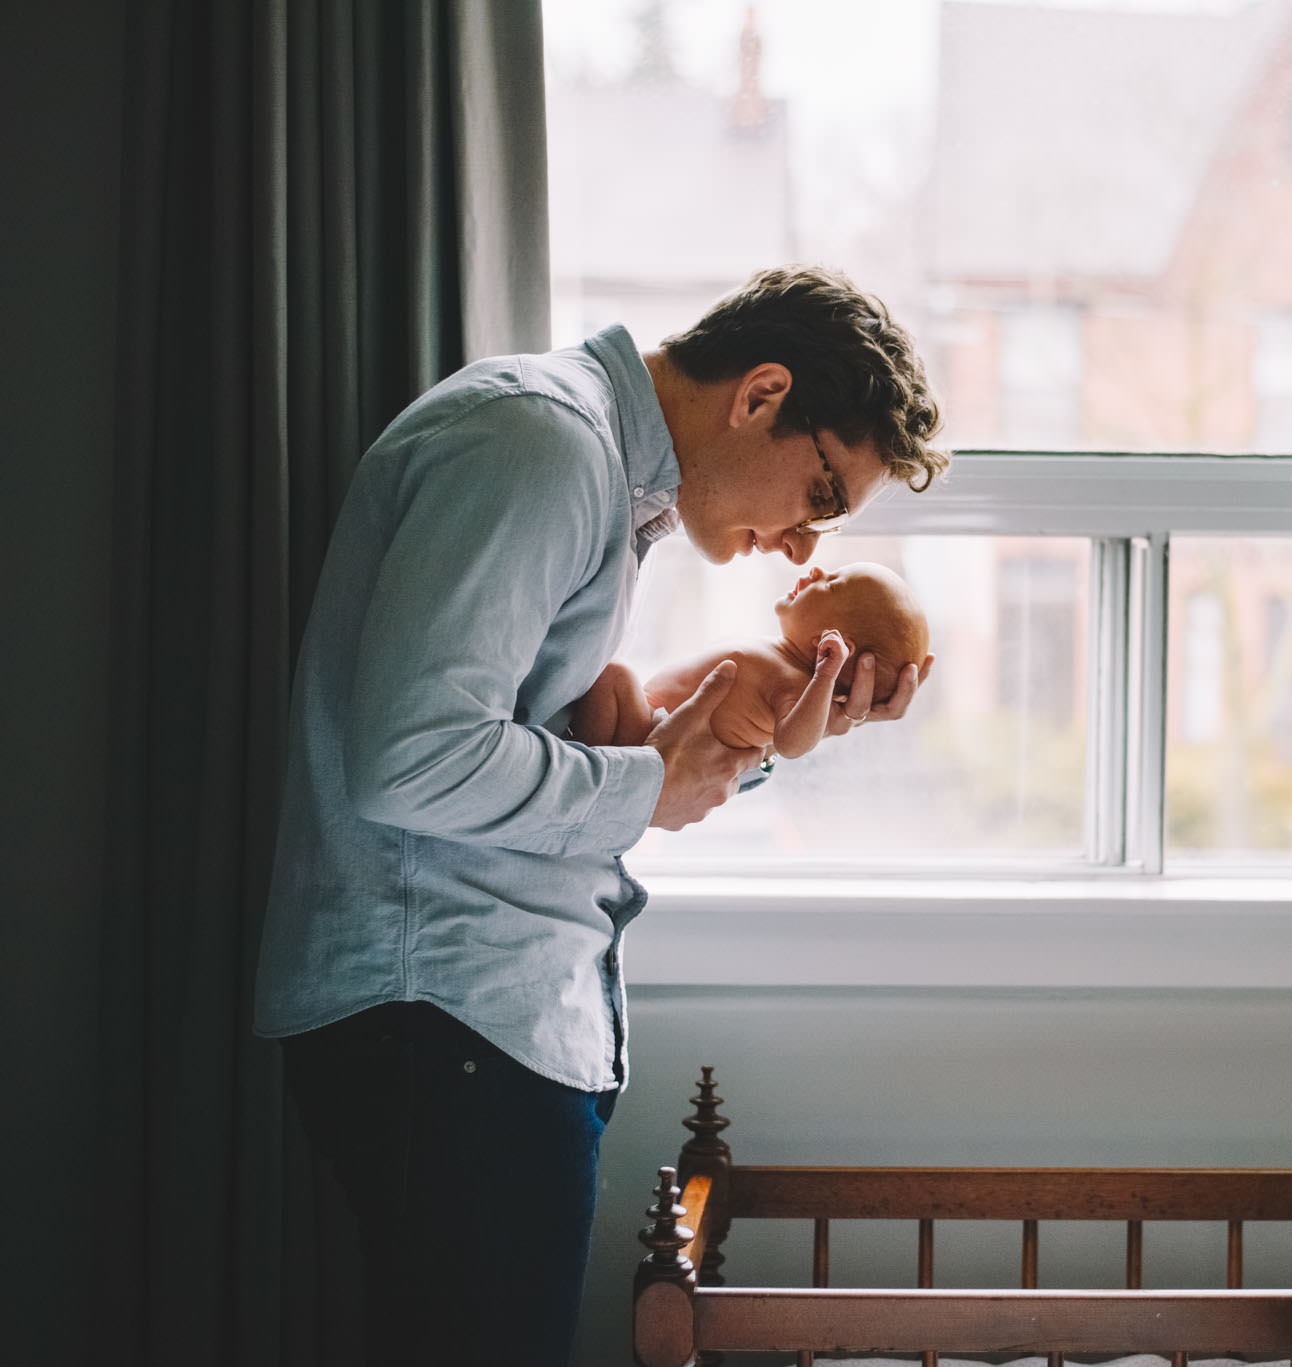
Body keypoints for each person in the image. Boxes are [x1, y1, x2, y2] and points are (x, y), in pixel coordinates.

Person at [252, 265, 946, 1367]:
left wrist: (753, 726)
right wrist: (641, 788)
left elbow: (511, 744)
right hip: (444, 1016)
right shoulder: (539, 448)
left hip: (465, 1021)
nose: (806, 543)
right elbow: (409, 757)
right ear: (762, 394)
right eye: (820, 493)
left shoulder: (587, 474)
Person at [571, 561, 933, 762]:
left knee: (611, 673)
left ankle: (581, 768)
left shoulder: (793, 685)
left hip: (653, 739)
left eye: (833, 584)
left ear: (834, 646)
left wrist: (825, 678)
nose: (818, 571)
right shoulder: (779, 656)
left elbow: (790, 744)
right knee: (609, 673)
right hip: (648, 729)